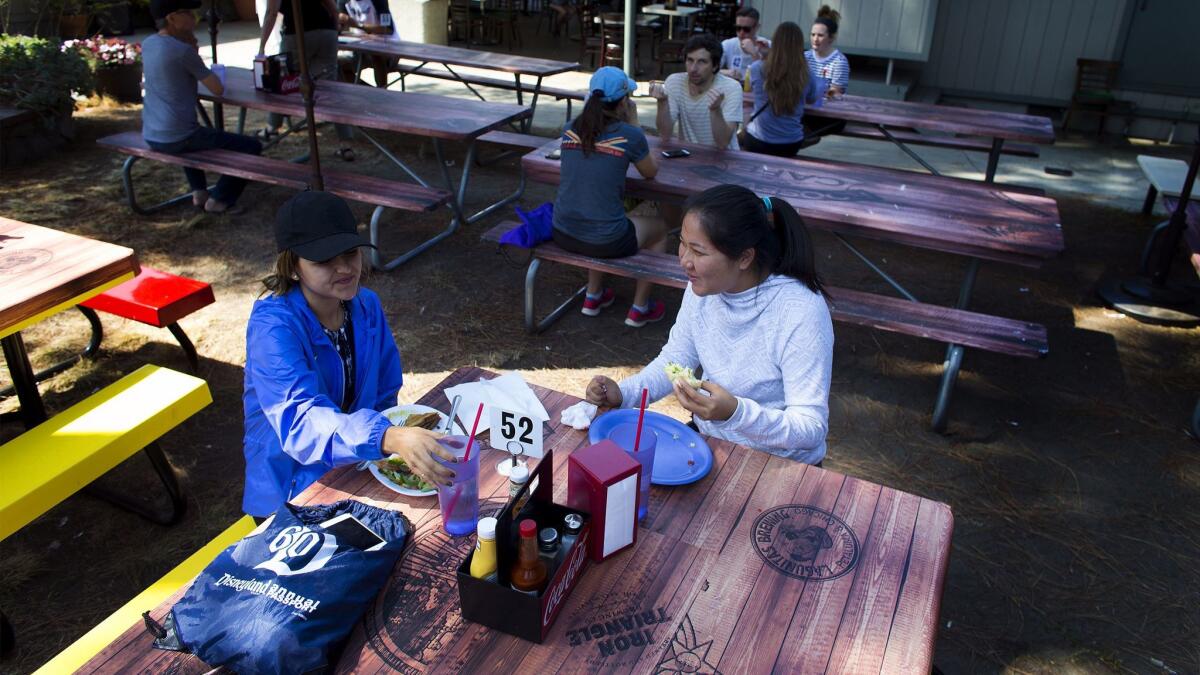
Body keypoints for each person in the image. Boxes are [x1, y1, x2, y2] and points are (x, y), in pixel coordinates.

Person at [585, 184, 833, 465]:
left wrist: (735, 413)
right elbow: (676, 360)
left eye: (699, 252)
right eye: (682, 243)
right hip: (710, 443)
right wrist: (624, 393)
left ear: (744, 257)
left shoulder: (800, 310)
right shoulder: (703, 288)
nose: (684, 261)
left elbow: (810, 429)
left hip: (783, 462)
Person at [241, 191, 453, 518]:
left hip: (357, 464)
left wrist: (381, 453)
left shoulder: (366, 305)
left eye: (350, 252)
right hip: (290, 489)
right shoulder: (273, 327)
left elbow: (385, 387)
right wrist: (385, 437)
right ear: (293, 267)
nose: (344, 268)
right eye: (323, 260)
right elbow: (300, 419)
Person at [553, 67, 668, 328]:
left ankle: (593, 296)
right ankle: (640, 308)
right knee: (659, 227)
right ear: (625, 102)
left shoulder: (571, 128)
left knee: (602, 214)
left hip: (561, 230)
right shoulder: (629, 134)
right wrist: (635, 123)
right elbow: (650, 172)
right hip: (606, 239)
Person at [142, 0, 263, 214]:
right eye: (187, 11)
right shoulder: (182, 51)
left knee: (194, 136)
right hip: (178, 136)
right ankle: (220, 199)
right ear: (172, 18)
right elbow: (216, 88)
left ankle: (199, 192)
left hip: (152, 132)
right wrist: (193, 51)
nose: (193, 16)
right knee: (251, 146)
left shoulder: (148, 43)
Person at [257, 0, 356, 161]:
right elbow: (330, 5)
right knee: (331, 89)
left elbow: (271, 12)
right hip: (326, 31)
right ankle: (346, 143)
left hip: (297, 32)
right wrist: (335, 25)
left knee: (285, 79)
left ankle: (272, 127)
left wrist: (261, 46)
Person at [741, 22, 828, 157]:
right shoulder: (806, 73)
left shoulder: (757, 68)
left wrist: (762, 55)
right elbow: (811, 99)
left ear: (774, 42)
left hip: (758, 141)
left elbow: (753, 88)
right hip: (790, 144)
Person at [651, 33, 744, 151]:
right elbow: (664, 134)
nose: (693, 68)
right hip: (689, 155)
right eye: (690, 60)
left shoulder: (731, 88)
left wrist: (715, 110)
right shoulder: (675, 82)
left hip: (724, 161)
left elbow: (723, 143)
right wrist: (662, 102)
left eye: (702, 62)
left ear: (715, 66)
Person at [803, 4, 850, 138]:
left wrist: (820, 91)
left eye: (820, 35)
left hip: (828, 114)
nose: (815, 39)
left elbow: (837, 93)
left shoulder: (839, 61)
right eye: (812, 35)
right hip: (807, 109)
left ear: (831, 38)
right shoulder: (805, 56)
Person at [337, 0, 399, 89]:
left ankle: (382, 91)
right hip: (360, 49)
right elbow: (341, 27)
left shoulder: (378, 2)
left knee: (376, 54)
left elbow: (388, 29)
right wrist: (339, 23)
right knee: (339, 66)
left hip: (388, 49)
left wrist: (359, 25)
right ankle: (369, 91)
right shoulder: (344, 2)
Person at [718, 7, 770, 83]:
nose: (741, 33)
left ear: (757, 27)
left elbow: (769, 76)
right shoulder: (727, 45)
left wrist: (754, 54)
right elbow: (711, 71)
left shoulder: (766, 45)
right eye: (738, 28)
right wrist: (726, 72)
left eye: (746, 29)